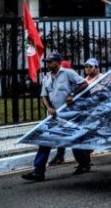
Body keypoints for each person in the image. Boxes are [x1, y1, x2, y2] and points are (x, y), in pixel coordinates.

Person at [21, 53, 90, 181]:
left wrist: (72, 94)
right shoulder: (46, 77)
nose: (47, 64)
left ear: (57, 62)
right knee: (45, 141)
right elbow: (44, 95)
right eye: (47, 62)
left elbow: (84, 84)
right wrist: (48, 107)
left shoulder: (68, 73)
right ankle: (38, 171)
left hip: (69, 114)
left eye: (50, 62)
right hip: (53, 116)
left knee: (74, 140)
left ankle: (84, 163)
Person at [83, 58, 111, 161]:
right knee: (91, 132)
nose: (88, 69)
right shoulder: (84, 81)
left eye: (90, 67)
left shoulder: (104, 78)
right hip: (92, 110)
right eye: (86, 67)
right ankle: (87, 158)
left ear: (97, 68)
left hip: (105, 108)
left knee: (110, 130)